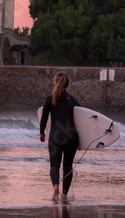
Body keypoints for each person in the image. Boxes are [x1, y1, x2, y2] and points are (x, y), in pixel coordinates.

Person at [39, 71, 80, 202]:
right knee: (68, 167)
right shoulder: (73, 100)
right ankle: (65, 194)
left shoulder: (50, 99)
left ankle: (55, 186)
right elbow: (81, 120)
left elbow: (43, 119)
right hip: (71, 137)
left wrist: (42, 133)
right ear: (68, 84)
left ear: (55, 82)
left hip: (56, 137)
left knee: (54, 166)